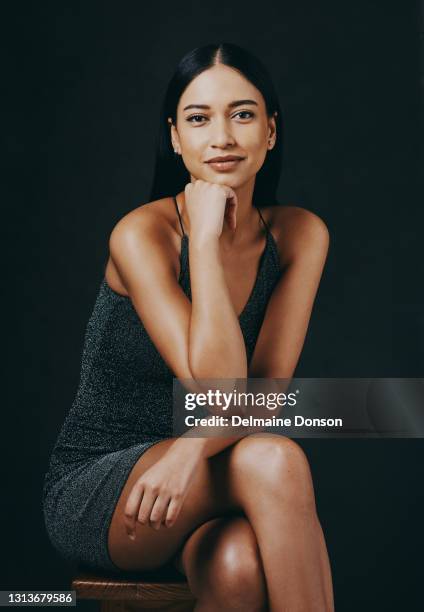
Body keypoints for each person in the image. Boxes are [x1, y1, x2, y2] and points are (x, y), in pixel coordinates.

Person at [43, 42, 334, 611]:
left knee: (237, 568)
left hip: (204, 469)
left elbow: (266, 395)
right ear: (175, 138)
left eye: (242, 114)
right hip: (104, 481)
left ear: (270, 132)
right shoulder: (141, 236)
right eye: (198, 119)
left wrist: (189, 450)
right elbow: (218, 388)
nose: (221, 136)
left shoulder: (299, 235)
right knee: (272, 458)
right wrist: (202, 239)